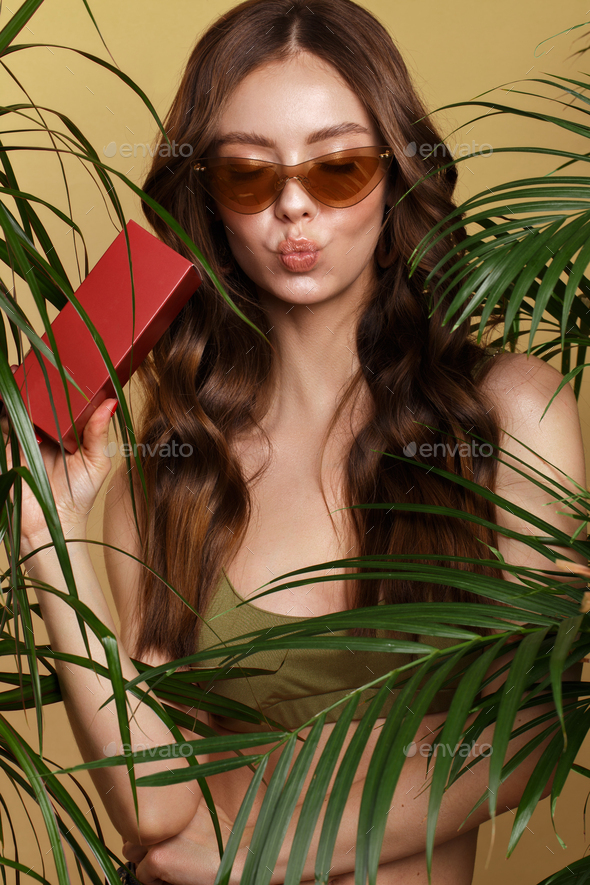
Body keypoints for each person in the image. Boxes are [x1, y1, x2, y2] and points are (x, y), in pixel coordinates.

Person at [1, 1, 586, 883]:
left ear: (395, 175)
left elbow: (531, 727)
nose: (293, 206)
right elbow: (155, 806)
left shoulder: (509, 414)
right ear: (210, 200)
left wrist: (260, 852)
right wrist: (47, 526)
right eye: (247, 175)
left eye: (339, 167)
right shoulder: (170, 464)